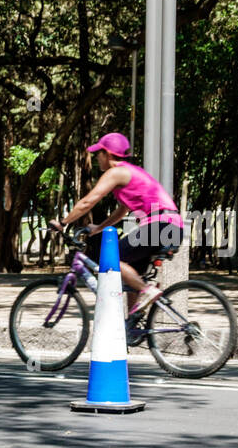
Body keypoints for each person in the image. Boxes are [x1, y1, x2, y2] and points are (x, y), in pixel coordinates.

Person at [54, 132, 184, 315]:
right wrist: (98, 228)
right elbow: (122, 211)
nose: (97, 158)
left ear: (107, 153)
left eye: (98, 153)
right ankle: (132, 325)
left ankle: (148, 291)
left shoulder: (116, 172)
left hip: (159, 225)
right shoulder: (130, 173)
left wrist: (63, 222)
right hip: (171, 226)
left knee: (110, 259)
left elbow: (88, 202)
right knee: (134, 277)